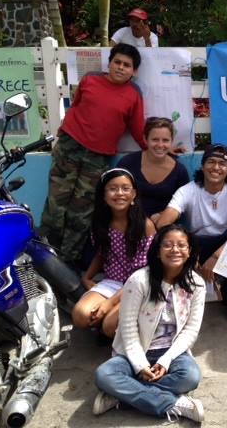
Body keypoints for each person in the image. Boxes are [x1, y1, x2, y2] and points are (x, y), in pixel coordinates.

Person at [38, 43, 147, 267]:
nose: (120, 67)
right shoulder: (90, 79)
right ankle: (44, 259)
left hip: (97, 159)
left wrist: (153, 147)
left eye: (127, 65)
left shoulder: (134, 95)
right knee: (56, 206)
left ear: (133, 71)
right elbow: (76, 106)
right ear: (109, 63)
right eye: (117, 62)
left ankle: (67, 265)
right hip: (70, 147)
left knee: (81, 213)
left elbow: (137, 128)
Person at [93, 224, 206, 422]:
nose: (175, 250)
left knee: (191, 377)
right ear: (157, 251)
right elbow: (127, 327)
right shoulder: (139, 280)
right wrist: (139, 364)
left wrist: (166, 360)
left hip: (171, 352)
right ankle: (174, 404)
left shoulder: (196, 284)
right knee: (104, 375)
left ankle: (121, 397)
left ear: (189, 252)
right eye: (168, 245)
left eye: (181, 245)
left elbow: (191, 330)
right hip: (134, 351)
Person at [157, 144, 227, 329]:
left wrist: (217, 256)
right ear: (202, 166)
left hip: (225, 242)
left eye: (221, 164)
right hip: (197, 242)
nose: (216, 168)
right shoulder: (188, 190)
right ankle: (172, 306)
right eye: (211, 162)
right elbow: (163, 223)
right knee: (170, 244)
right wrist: (189, 253)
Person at [71, 168, 156, 338]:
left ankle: (124, 328)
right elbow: (102, 253)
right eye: (112, 188)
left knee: (110, 326)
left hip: (141, 284)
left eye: (125, 188)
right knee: (80, 316)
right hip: (113, 282)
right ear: (103, 195)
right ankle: (113, 324)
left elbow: (146, 272)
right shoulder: (101, 222)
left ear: (134, 195)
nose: (119, 193)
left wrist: (109, 303)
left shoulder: (144, 225)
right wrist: (87, 278)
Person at [117, 117, 189, 223]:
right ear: (145, 139)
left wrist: (162, 215)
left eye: (165, 140)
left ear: (171, 141)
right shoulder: (128, 163)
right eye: (155, 139)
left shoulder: (180, 171)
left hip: (163, 226)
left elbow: (183, 205)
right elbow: (115, 196)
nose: (160, 145)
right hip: (131, 223)